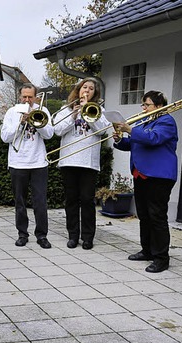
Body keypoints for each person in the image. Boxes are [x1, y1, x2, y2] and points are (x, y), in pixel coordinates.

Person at [113, 90, 178, 273]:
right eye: (143, 104)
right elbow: (134, 143)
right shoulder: (144, 121)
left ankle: (161, 258)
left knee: (157, 216)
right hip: (141, 173)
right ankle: (147, 250)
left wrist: (130, 130)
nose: (143, 108)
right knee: (144, 215)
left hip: (159, 175)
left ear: (158, 106)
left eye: (146, 104)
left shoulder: (166, 121)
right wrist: (119, 139)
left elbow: (153, 139)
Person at [53, 77, 110, 250]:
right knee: (71, 200)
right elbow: (57, 130)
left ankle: (88, 237)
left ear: (95, 93)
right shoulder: (66, 109)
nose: (87, 90)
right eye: (84, 87)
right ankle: (73, 235)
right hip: (69, 160)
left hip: (88, 162)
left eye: (91, 88)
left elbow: (103, 130)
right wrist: (74, 115)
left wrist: (88, 111)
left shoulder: (98, 109)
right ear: (78, 90)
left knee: (87, 200)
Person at [0, 83, 54, 249]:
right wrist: (21, 123)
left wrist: (36, 122)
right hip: (18, 162)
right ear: (19, 96)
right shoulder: (12, 112)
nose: (27, 100)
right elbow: (5, 137)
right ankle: (22, 234)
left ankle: (42, 235)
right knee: (20, 201)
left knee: (40, 201)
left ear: (35, 97)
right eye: (24, 96)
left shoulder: (42, 111)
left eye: (30, 97)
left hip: (38, 162)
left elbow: (50, 134)